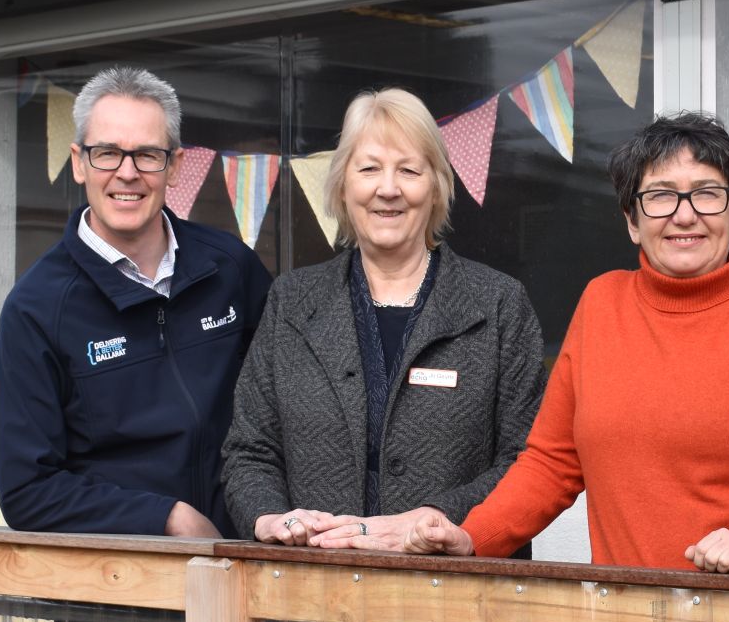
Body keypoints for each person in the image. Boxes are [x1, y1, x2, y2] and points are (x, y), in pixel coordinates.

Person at [0, 65, 271, 622]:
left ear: (175, 164)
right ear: (78, 162)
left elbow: (287, 406)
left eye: (147, 155)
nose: (127, 172)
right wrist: (165, 516)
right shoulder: (37, 310)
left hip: (242, 595)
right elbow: (29, 491)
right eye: (107, 153)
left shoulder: (232, 271)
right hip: (118, 612)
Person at [401, 111, 729, 574]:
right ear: (632, 220)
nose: (684, 214)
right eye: (660, 196)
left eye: (707, 194)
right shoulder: (601, 303)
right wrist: (474, 536)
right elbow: (552, 463)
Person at [219, 87, 545, 549]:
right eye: (369, 168)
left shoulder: (498, 305)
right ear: (342, 185)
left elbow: (529, 461)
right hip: (310, 593)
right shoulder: (290, 303)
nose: (387, 188)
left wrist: (436, 519)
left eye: (408, 170)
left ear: (435, 185)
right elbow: (249, 450)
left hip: (456, 594)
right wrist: (269, 517)